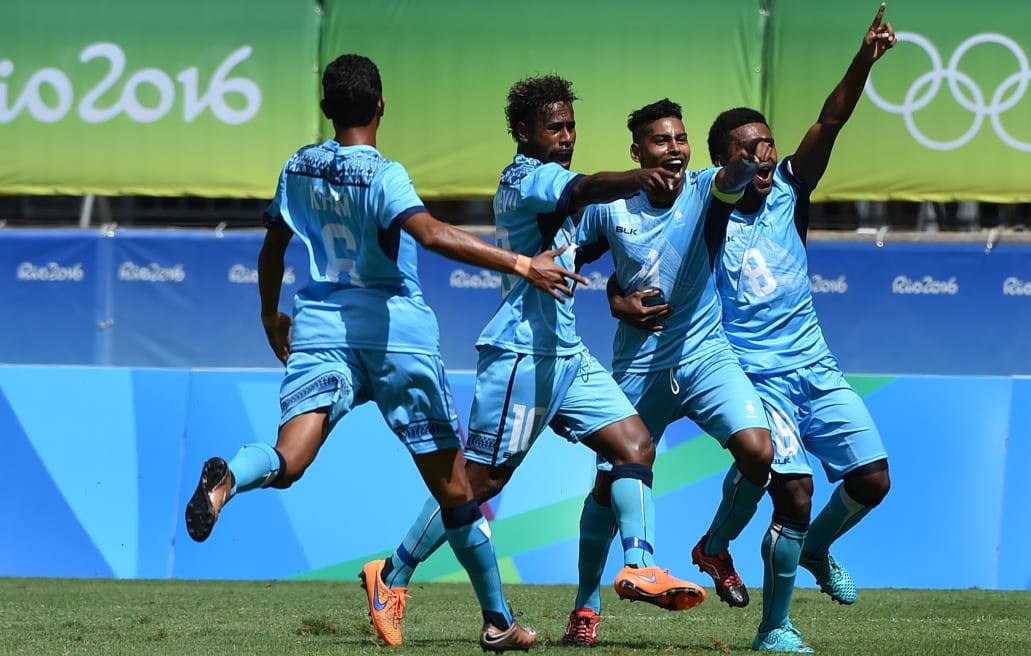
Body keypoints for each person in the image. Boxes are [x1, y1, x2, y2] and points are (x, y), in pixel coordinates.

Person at [183, 53, 591, 652]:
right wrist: (520, 262)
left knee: (289, 459)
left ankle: (227, 483)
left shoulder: (297, 166)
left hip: (322, 329)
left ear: (326, 108)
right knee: (456, 488)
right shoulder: (384, 174)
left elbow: (272, 250)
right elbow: (430, 233)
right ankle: (498, 622)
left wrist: (270, 314)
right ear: (380, 106)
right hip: (397, 337)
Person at [360, 74, 706, 648]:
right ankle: (390, 574)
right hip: (522, 355)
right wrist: (640, 177)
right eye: (555, 127)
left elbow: (591, 227)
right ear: (523, 131)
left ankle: (640, 564)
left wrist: (621, 286)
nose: (567, 136)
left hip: (566, 355)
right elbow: (586, 188)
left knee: (636, 445)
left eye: (572, 126)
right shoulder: (529, 178)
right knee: (473, 484)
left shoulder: (556, 179)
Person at [613, 6, 897, 652]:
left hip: (816, 369)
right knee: (793, 490)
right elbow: (635, 254)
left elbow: (831, 119)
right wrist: (619, 302)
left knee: (871, 481)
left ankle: (809, 550)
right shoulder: (704, 212)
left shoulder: (793, 190)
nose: (764, 156)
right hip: (754, 375)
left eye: (767, 145)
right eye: (749, 150)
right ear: (722, 162)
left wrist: (865, 58)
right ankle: (775, 628)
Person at [561, 98, 776, 647]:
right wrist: (616, 301)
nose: (674, 149)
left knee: (759, 451)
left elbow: (731, 179)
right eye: (661, 141)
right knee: (609, 489)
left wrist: (747, 160)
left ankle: (714, 546)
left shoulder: (707, 190)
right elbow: (563, 262)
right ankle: (586, 604)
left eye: (679, 139)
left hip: (705, 354)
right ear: (637, 152)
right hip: (639, 366)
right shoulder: (610, 209)